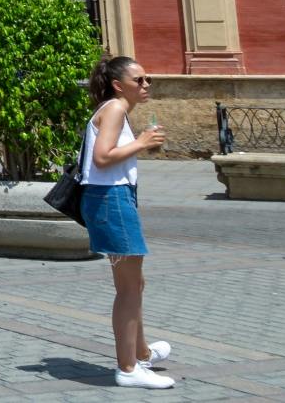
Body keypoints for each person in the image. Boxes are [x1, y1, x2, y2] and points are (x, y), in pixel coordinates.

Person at [82, 55, 173, 390]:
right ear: (119, 85)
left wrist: (137, 144)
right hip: (111, 200)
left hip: (114, 198)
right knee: (129, 288)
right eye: (140, 80)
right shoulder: (116, 108)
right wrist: (142, 143)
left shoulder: (115, 109)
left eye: (147, 79)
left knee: (135, 284)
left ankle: (141, 352)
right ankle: (128, 368)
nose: (146, 85)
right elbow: (102, 157)